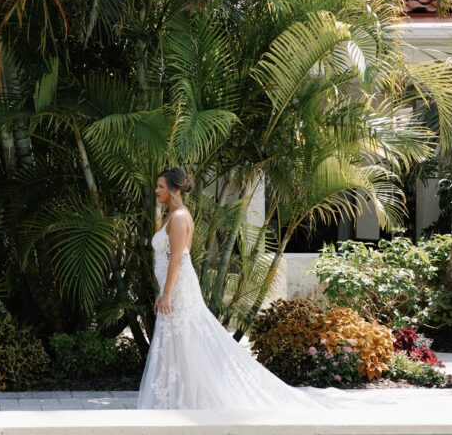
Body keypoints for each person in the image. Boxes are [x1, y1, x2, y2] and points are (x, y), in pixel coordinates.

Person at [136, 167, 323, 410]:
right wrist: (163, 292)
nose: (157, 191)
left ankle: (191, 401)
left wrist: (168, 294)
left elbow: (177, 259)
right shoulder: (171, 216)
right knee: (179, 343)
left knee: (186, 342)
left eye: (161, 186)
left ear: (175, 190)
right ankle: (178, 399)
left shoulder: (180, 217)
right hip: (173, 287)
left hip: (181, 290)